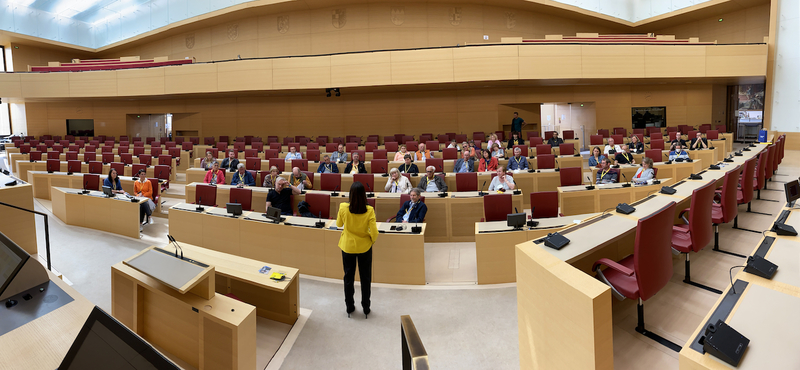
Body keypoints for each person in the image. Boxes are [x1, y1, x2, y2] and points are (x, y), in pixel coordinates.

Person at [336, 181, 378, 318]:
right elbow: (374, 232)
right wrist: (370, 241)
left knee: (348, 277)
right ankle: (366, 307)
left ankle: (349, 306)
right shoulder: (369, 210)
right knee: (365, 278)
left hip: (347, 247)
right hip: (364, 247)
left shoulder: (343, 207)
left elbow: (339, 224)